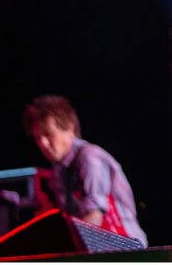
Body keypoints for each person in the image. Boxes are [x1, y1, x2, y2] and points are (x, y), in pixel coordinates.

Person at [22, 95, 148, 246]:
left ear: (70, 128)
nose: (43, 143)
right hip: (102, 250)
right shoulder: (60, 170)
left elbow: (94, 216)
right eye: (37, 138)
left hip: (126, 250)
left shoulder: (90, 158)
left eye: (48, 134)